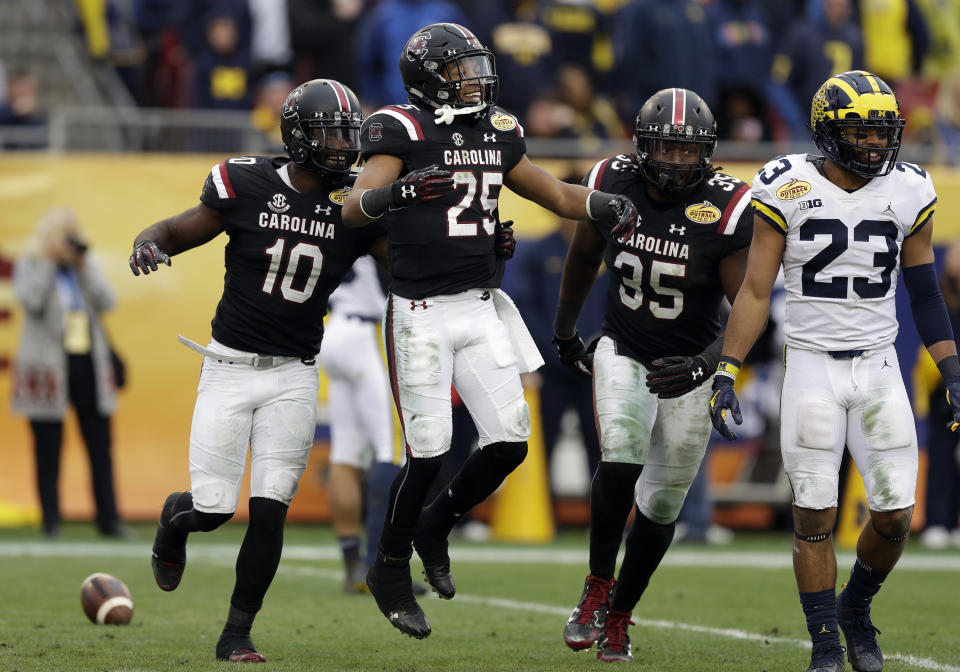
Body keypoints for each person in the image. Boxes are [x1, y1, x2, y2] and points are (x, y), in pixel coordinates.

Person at [341, 22, 640, 640]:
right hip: (420, 311)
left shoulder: (497, 128)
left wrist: (601, 204)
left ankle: (434, 525)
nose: (475, 77)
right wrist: (398, 192)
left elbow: (555, 194)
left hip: (479, 304)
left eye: (476, 66)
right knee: (427, 453)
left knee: (509, 442)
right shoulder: (399, 128)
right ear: (428, 76)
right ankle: (390, 567)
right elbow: (353, 207)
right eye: (461, 68)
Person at [709, 70, 960, 672]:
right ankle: (825, 642)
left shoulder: (908, 188)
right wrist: (727, 368)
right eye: (862, 132)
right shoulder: (786, 183)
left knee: (896, 512)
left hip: (879, 366)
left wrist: (952, 370)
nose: (876, 145)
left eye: (883, 132)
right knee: (814, 511)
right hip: (811, 367)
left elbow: (925, 293)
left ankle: (855, 608)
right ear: (829, 132)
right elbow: (754, 289)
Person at [129, 78, 388, 663]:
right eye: (330, 136)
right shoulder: (244, 183)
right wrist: (149, 242)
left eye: (349, 136)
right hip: (228, 366)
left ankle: (236, 634)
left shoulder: (356, 208)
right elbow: (175, 229)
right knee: (215, 509)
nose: (344, 149)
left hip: (294, 373)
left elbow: (410, 268)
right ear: (297, 138)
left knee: (271, 507)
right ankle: (177, 519)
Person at [554, 88, 754, 663]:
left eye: (685, 148)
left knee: (663, 504)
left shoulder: (727, 205)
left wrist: (709, 363)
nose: (672, 159)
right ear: (641, 146)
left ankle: (620, 617)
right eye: (662, 146)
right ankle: (596, 587)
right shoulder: (611, 180)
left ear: (707, 152)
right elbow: (584, 257)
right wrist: (566, 330)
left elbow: (748, 306)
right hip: (625, 346)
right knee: (620, 453)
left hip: (691, 363)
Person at [11, 207, 128, 539]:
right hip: (47, 365)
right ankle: (51, 520)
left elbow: (109, 301)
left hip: (86, 360)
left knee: (100, 445)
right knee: (48, 446)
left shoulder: (84, 267)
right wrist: (50, 263)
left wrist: (82, 268)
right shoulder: (32, 264)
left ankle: (109, 520)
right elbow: (30, 300)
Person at [319, 254, 406, 593]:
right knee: (391, 449)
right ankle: (375, 566)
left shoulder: (331, 209)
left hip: (335, 329)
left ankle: (354, 565)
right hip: (365, 333)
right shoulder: (375, 209)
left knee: (345, 454)